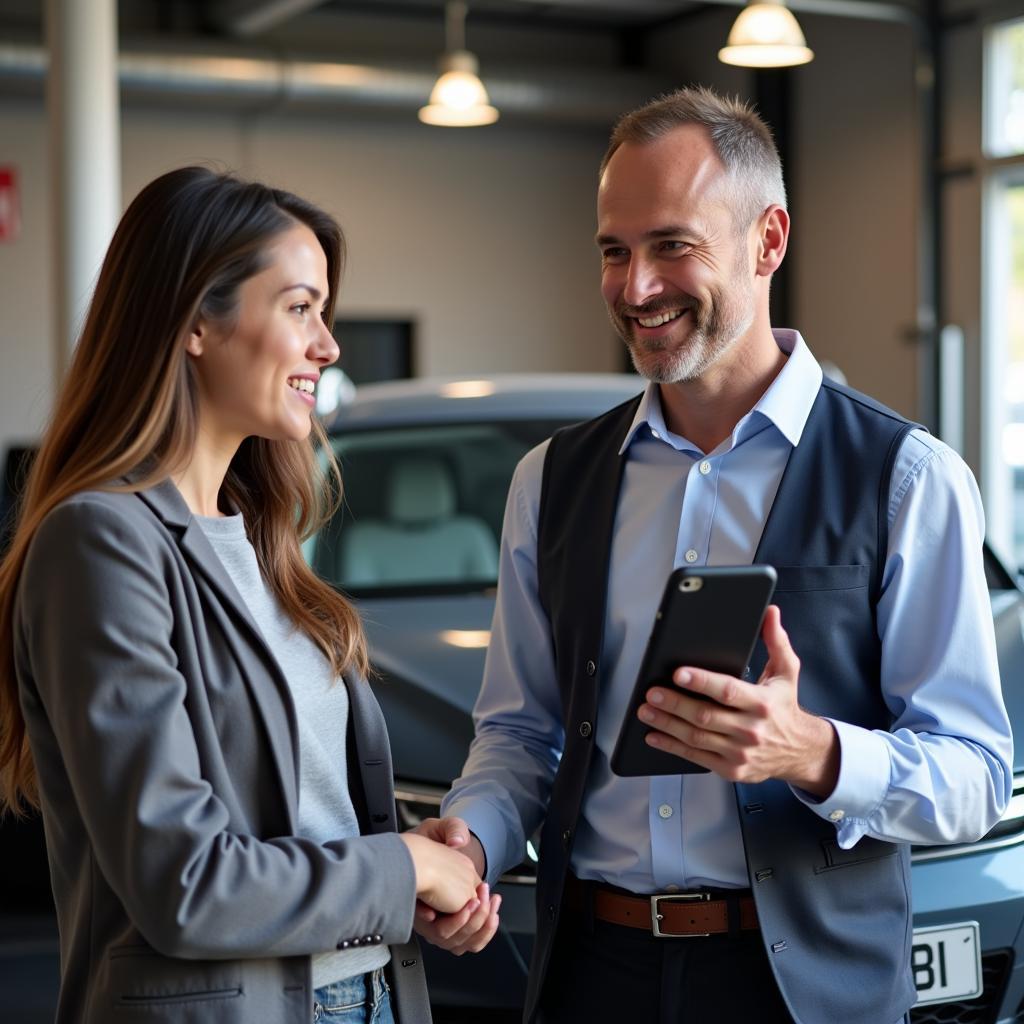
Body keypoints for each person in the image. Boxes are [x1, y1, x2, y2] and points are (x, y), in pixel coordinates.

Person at [413, 88, 1014, 1024]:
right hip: (592, 978)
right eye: (614, 251)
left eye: (672, 246)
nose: (636, 287)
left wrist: (809, 751)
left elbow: (974, 774)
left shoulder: (909, 477)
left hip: (805, 991)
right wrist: (474, 842)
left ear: (768, 241)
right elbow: (521, 735)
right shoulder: (551, 480)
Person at [0, 166, 497, 1024]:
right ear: (197, 320)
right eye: (301, 307)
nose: (328, 345)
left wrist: (406, 878)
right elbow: (184, 883)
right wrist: (404, 869)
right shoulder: (101, 543)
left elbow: (306, 828)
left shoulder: (263, 547)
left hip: (370, 993)